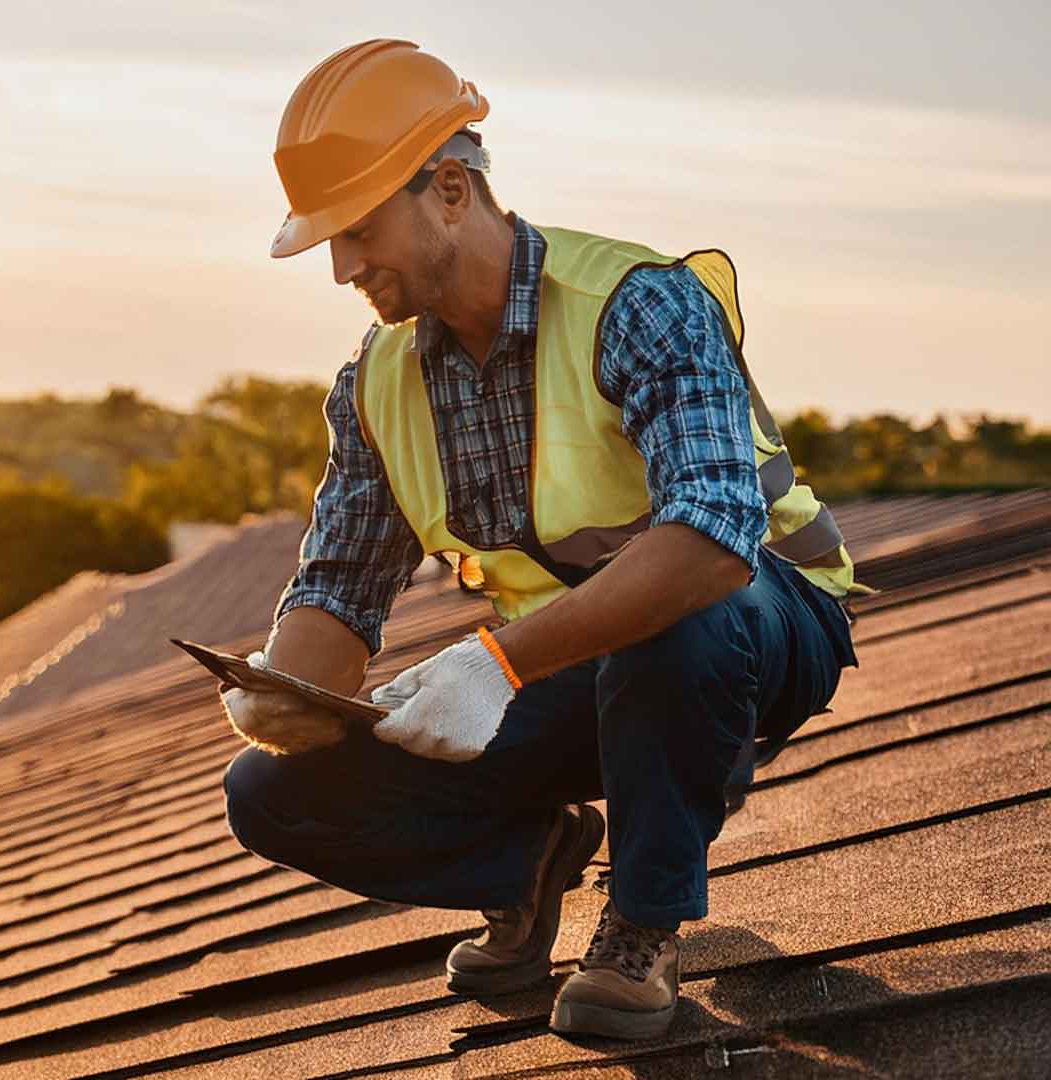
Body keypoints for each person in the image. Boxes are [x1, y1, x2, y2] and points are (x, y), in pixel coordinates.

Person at [219, 39, 861, 1041]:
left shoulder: (638, 302)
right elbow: (338, 591)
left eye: (356, 231)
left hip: (759, 626)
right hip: (569, 666)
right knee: (270, 793)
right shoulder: (376, 384)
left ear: (447, 189)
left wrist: (495, 665)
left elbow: (711, 542)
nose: (341, 268)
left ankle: (642, 925)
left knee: (678, 612)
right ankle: (529, 861)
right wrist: (280, 693)